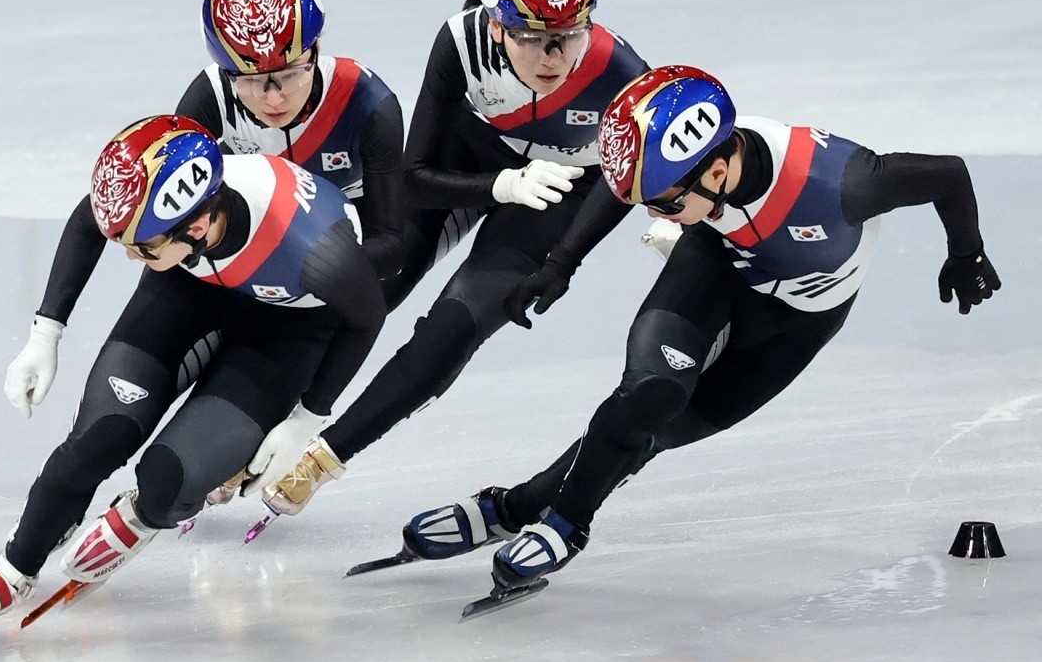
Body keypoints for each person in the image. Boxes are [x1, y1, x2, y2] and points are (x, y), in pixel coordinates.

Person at [398, 64, 1001, 591]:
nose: (651, 210)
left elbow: (947, 173)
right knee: (648, 394)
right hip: (715, 262)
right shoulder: (686, 177)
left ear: (715, 171)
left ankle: (519, 503)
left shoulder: (844, 183)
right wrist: (561, 264)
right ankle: (560, 523)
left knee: (656, 433)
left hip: (796, 321)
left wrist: (966, 254)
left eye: (660, 202)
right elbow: (623, 183)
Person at [0, 115, 385, 626]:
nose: (128, 255)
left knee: (171, 480)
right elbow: (89, 219)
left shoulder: (317, 252)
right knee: (97, 440)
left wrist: (306, 418)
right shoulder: (164, 206)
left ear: (196, 226)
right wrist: (45, 333)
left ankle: (141, 514)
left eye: (141, 247)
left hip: (287, 334)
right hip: (190, 291)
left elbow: (367, 319)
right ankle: (11, 571)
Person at [260, 0, 651, 516]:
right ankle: (256, 422)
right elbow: (412, 176)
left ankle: (323, 459)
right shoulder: (459, 43)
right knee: (361, 292)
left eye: (568, 36)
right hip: (469, 164)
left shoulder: (619, 71)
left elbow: (653, 166)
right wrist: (502, 183)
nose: (553, 57)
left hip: (561, 192)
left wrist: (566, 260)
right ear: (495, 24)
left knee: (455, 328)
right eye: (530, 37)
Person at [4, 0, 403, 427]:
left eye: (290, 74)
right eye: (251, 80)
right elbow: (132, 206)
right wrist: (45, 333)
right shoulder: (210, 97)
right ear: (223, 71)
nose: (273, 97)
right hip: (227, 252)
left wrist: (309, 271)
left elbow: (392, 248)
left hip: (313, 279)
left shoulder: (368, 104)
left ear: (317, 49)